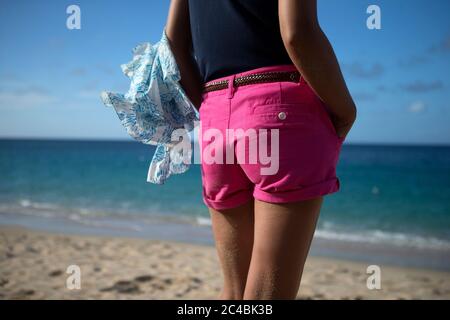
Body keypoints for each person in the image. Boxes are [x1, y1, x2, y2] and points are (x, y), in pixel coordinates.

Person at [165, 0, 357, 300]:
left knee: (234, 291)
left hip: (215, 115)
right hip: (279, 107)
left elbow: (174, 44)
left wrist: (211, 107)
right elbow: (296, 32)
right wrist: (346, 112)